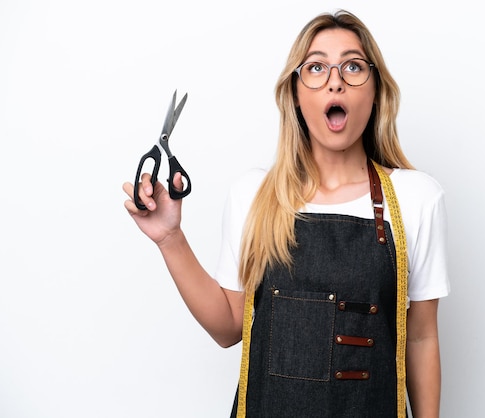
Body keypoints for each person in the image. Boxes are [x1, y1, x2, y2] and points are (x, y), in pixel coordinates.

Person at [123, 9, 449, 418]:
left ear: (375, 91)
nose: (335, 80)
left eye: (352, 66)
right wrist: (170, 239)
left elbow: (419, 338)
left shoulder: (417, 198)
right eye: (316, 67)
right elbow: (228, 328)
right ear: (296, 93)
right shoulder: (254, 194)